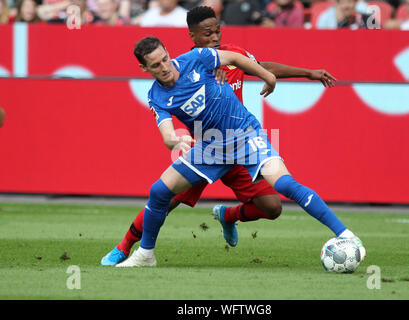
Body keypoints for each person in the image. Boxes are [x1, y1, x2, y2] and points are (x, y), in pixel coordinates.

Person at [100, 5, 340, 266]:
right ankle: (124, 247)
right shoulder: (196, 61)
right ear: (192, 37)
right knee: (163, 198)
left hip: (241, 144)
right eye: (207, 34)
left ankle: (228, 216)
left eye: (217, 31)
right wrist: (174, 138)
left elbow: (259, 66)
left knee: (272, 207)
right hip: (208, 147)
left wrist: (308, 73)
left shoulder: (233, 55)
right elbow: (168, 118)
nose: (214, 38)